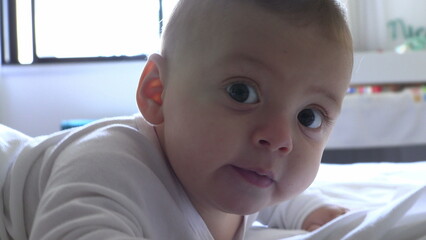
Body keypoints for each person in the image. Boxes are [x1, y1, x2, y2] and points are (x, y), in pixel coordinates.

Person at [0, 0, 353, 239]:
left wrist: (309, 208)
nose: (279, 138)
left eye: (308, 117)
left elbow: (271, 191)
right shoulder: (109, 169)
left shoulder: (242, 173)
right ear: (158, 92)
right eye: (241, 92)